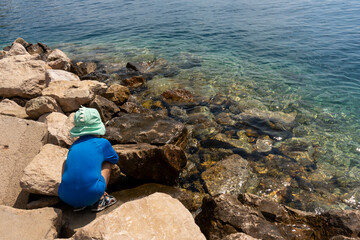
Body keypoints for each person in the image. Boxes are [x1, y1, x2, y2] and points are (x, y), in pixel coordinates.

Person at [58, 106, 119, 212]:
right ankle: (100, 200)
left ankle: (79, 204)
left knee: (65, 162)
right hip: (91, 194)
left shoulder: (74, 145)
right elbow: (114, 159)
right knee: (107, 163)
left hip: (65, 196)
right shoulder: (102, 143)